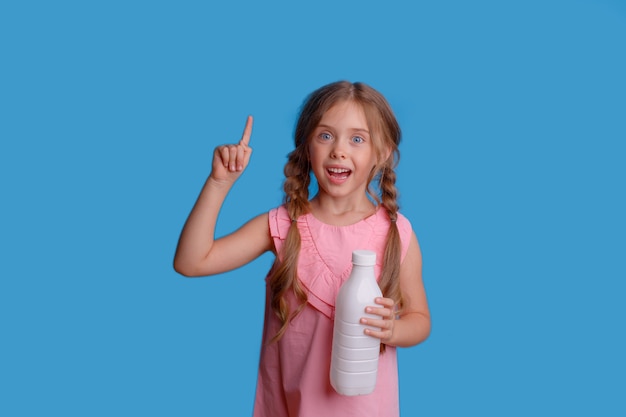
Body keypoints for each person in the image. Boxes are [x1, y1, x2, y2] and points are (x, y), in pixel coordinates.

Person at [174, 81, 431, 417]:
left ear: (381, 153)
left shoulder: (396, 233)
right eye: (325, 136)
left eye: (357, 138)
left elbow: (420, 320)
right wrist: (219, 183)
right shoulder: (282, 226)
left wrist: (394, 329)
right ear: (307, 147)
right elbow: (191, 262)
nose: (339, 150)